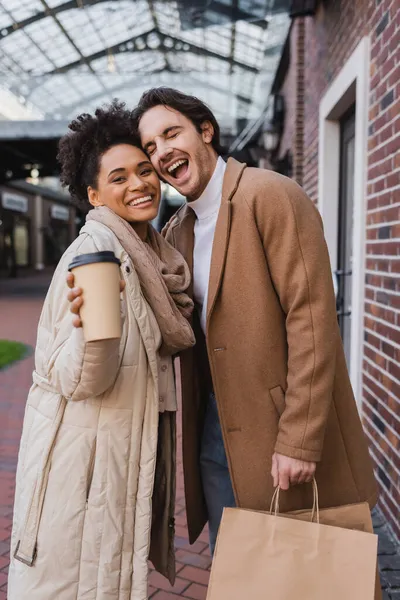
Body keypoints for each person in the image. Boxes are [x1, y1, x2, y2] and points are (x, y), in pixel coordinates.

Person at [129, 87, 378, 554]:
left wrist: (300, 440)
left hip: (283, 425)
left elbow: (312, 321)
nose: (161, 152)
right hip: (215, 430)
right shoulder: (177, 229)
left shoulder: (271, 195)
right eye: (150, 147)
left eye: (170, 133)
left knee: (315, 570)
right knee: (242, 565)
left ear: (205, 130)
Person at [8, 101, 195, 599]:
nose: (138, 184)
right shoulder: (95, 254)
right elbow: (79, 378)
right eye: (119, 177)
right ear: (94, 194)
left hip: (114, 449)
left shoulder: (151, 253)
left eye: (143, 170)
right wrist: (97, 333)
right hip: (83, 461)